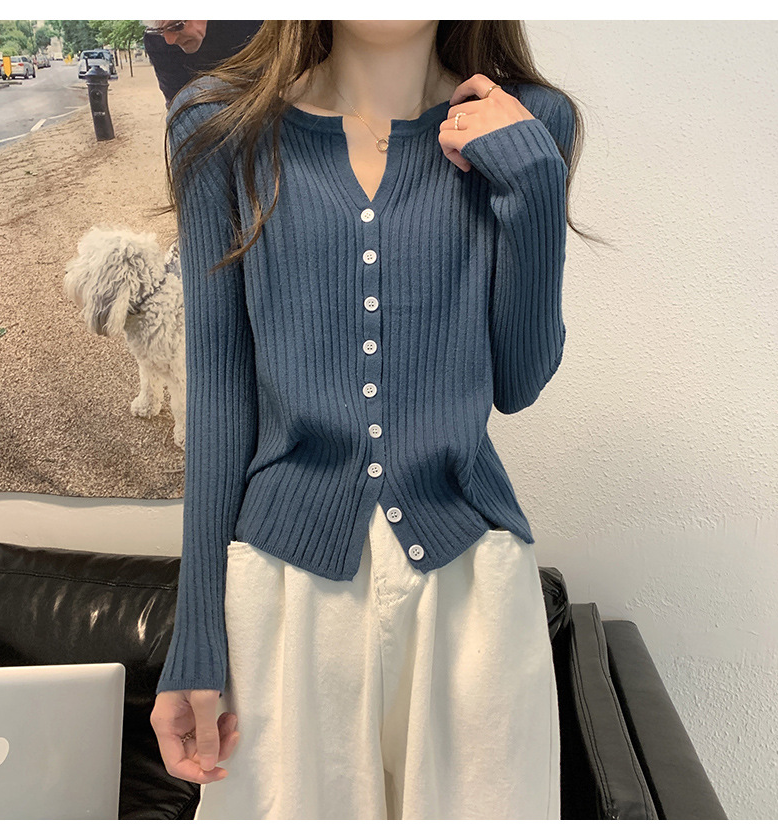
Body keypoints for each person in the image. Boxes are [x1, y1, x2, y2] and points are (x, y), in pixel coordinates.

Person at [150, 20, 582, 819]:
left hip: (472, 588)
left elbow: (520, 382)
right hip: (286, 593)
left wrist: (534, 184)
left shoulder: (529, 121)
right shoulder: (216, 125)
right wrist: (195, 640)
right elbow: (218, 392)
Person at [142, 19, 263, 106]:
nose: (169, 40)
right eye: (159, 31)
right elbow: (177, 103)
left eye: (177, 26)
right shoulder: (157, 42)